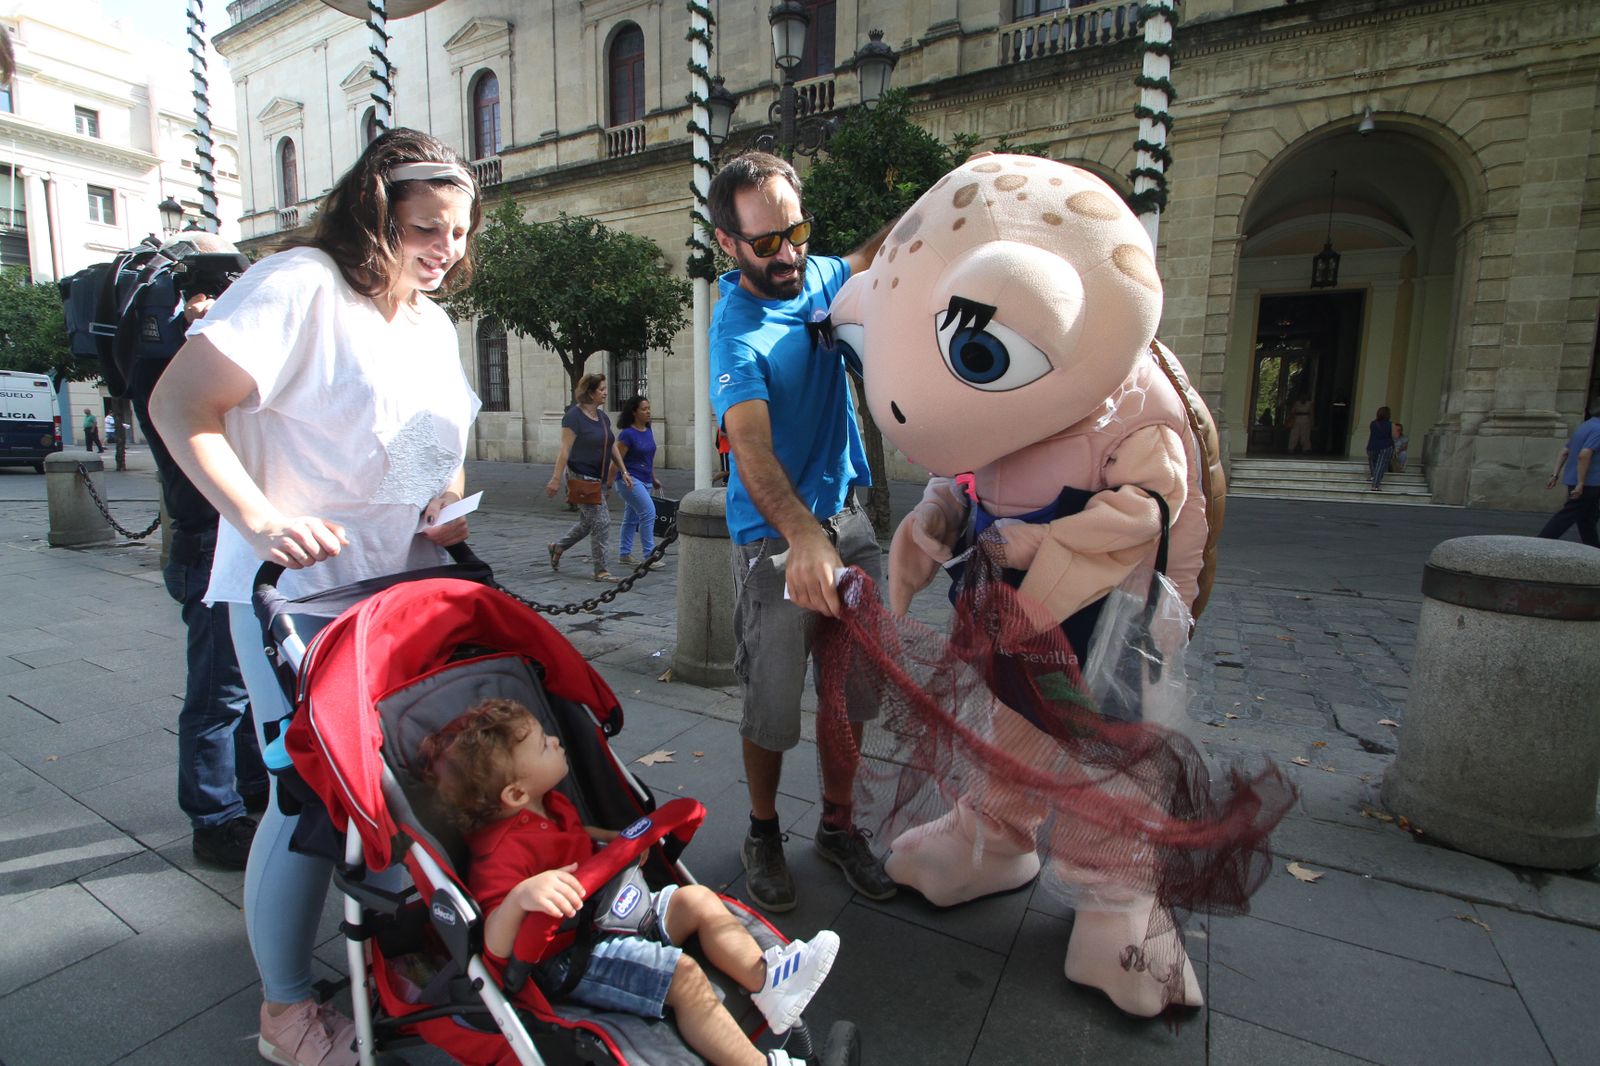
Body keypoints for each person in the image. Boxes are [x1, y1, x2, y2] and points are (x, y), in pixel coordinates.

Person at [151, 128, 482, 1066]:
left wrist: (442, 508)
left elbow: (432, 443)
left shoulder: (428, 320)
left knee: (397, 787)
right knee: (306, 804)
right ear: (374, 212)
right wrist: (258, 518)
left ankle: (388, 957)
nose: (446, 249)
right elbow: (181, 404)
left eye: (459, 233)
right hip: (289, 599)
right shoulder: (299, 283)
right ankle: (285, 1015)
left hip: (397, 588)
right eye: (426, 228)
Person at [419, 698, 839, 1066]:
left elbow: (576, 834)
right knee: (685, 978)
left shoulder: (551, 803)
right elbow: (493, 946)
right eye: (542, 743)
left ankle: (767, 982)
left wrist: (614, 843)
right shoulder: (498, 856)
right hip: (570, 956)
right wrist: (520, 898)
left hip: (613, 908)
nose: (555, 740)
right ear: (513, 795)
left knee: (697, 899)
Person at [707, 151, 896, 912]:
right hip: (774, 545)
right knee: (773, 706)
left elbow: (868, 255)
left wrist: (949, 193)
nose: (787, 255)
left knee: (852, 695)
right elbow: (749, 447)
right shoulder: (735, 336)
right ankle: (761, 831)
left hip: (850, 523)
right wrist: (802, 538)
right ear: (727, 243)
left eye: (797, 232)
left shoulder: (813, 273)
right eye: (766, 243)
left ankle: (840, 828)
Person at [125, 233, 268, 870]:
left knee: (246, 683)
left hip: (226, 540)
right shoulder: (166, 357)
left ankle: (250, 790)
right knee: (218, 692)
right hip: (207, 542)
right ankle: (213, 818)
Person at [546, 373, 632, 582]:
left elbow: (611, 444)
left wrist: (623, 470)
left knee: (588, 522)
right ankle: (601, 570)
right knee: (601, 521)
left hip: (599, 478)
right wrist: (556, 478)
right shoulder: (573, 417)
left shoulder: (602, 417)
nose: (605, 392)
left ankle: (558, 547)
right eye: (601, 389)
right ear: (590, 393)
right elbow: (564, 450)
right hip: (581, 477)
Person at [1537, 394, 1600, 547]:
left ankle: (1595, 550)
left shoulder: (1585, 426)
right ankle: (1538, 543)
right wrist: (1581, 483)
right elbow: (1584, 454)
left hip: (1578, 480)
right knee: (1567, 516)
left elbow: (1564, 451)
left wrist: (1555, 475)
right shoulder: (1598, 429)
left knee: (1587, 518)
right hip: (1589, 483)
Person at [615, 394, 662, 567]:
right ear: (634, 412)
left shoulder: (648, 430)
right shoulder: (627, 434)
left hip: (645, 479)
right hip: (629, 480)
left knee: (631, 518)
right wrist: (609, 482)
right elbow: (617, 459)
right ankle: (649, 555)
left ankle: (624, 553)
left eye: (648, 408)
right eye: (644, 409)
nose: (648, 412)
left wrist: (654, 478)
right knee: (649, 512)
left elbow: (648, 457)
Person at [1366, 405, 1395, 489]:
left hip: (1372, 446)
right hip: (1385, 446)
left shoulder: (1373, 424)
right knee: (1380, 465)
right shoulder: (1391, 425)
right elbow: (1394, 436)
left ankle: (1373, 477)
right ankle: (1375, 485)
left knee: (1373, 463)